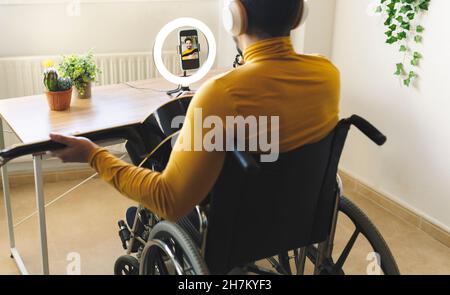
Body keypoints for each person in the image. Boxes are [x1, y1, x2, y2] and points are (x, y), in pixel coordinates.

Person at [49, 0, 340, 222]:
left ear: (234, 17)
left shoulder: (220, 94)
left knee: (153, 152)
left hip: (236, 223)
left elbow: (170, 201)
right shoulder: (328, 73)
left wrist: (93, 155)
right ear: (299, 13)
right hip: (298, 215)